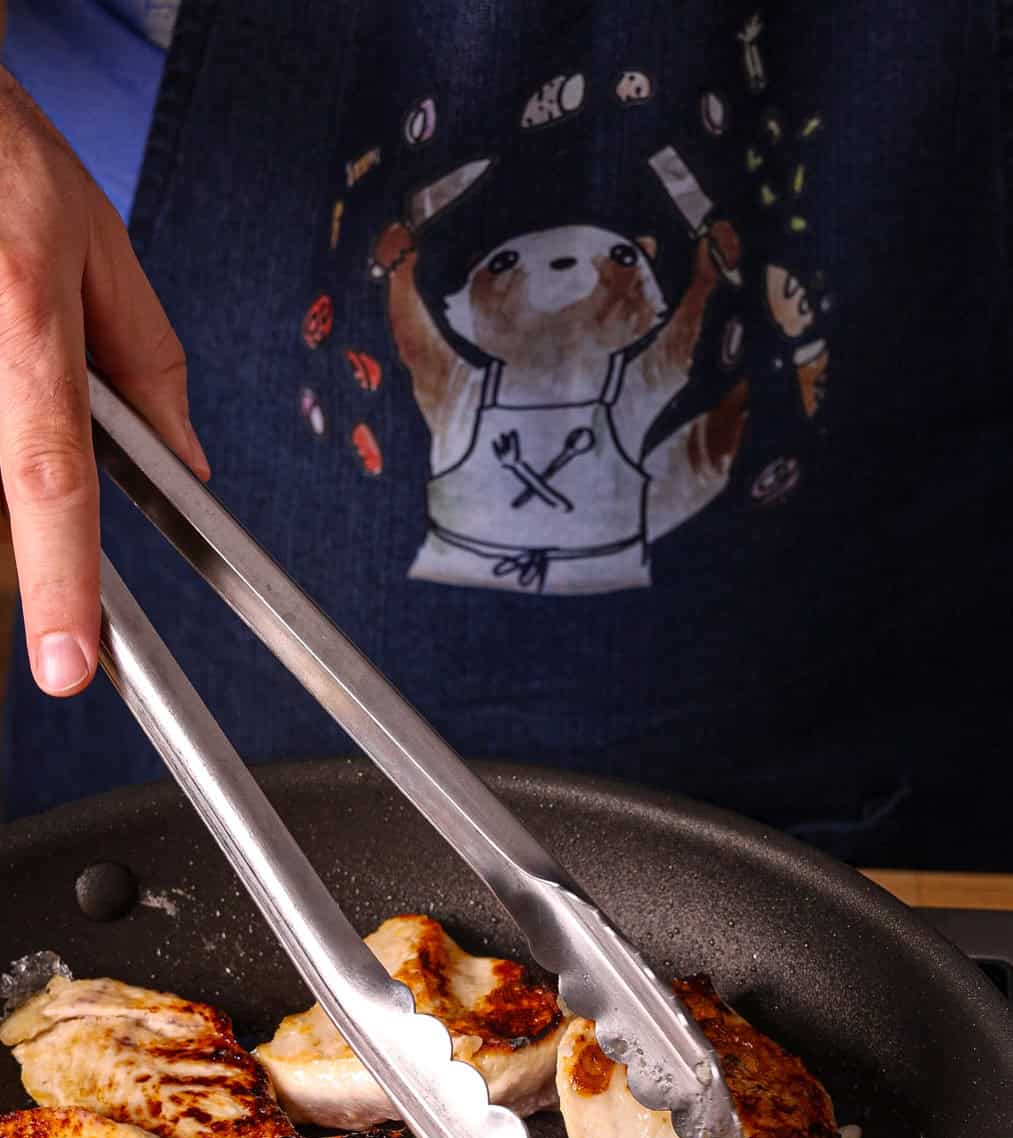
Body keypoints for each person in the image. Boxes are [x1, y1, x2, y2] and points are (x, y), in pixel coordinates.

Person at [0, 1, 1009, 869]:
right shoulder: (455, 378)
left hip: (854, 749)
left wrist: (712, 284)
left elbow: (689, 344)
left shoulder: (653, 362)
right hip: (208, 682)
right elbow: (411, 333)